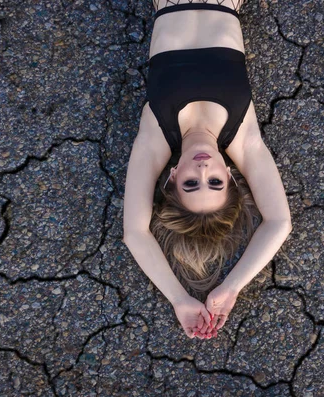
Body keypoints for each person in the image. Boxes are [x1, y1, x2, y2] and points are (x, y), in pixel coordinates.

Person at [122, 0, 292, 340]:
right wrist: (230, 289)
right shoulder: (243, 138)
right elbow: (279, 222)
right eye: (214, 182)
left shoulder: (156, 138)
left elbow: (135, 234)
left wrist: (179, 299)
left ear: (171, 176)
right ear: (230, 175)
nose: (203, 169)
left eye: (190, 184)